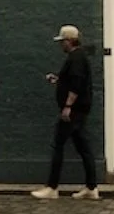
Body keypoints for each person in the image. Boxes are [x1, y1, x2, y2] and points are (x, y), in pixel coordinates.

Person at [31, 26, 98, 201]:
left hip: (73, 112)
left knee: (58, 145)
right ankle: (91, 187)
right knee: (84, 148)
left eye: (62, 42)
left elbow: (76, 85)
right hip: (80, 111)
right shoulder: (80, 57)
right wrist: (59, 81)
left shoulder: (75, 58)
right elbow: (73, 81)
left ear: (69, 41)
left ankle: (52, 187)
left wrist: (67, 107)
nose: (61, 45)